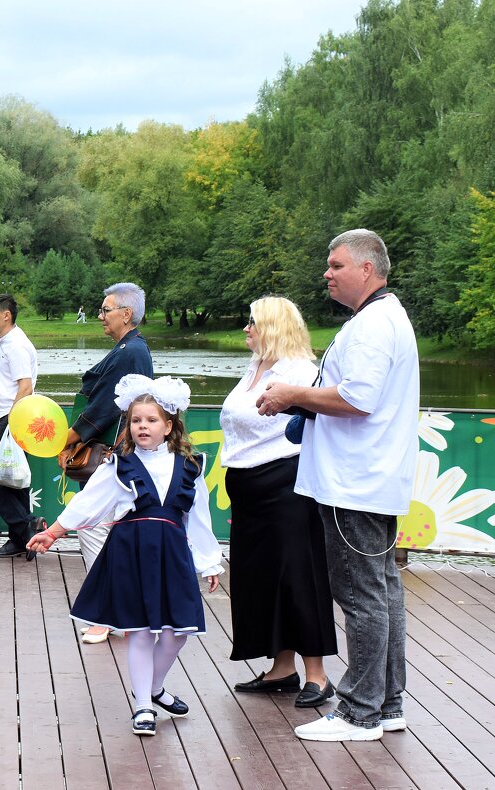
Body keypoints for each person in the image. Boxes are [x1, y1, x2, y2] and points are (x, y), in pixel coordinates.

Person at [256, 229, 418, 742]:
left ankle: (359, 712)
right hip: (367, 477)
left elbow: (358, 399)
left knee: (362, 595)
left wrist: (292, 393)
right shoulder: (382, 318)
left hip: (354, 482)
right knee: (382, 592)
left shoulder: (373, 325)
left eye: (336, 265)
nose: (327, 273)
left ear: (367, 269)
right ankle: (386, 704)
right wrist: (304, 398)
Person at [29, 375, 222, 736]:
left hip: (173, 553)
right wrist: (54, 531)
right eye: (136, 421)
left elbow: (198, 517)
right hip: (132, 551)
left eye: (151, 420)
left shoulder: (191, 466)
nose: (142, 427)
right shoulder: (118, 466)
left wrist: (209, 560)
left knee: (177, 633)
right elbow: (89, 503)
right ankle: (143, 706)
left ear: (169, 425)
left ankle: (154, 688)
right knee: (139, 631)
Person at [220, 297, 337, 707]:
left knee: (297, 576)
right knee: (261, 577)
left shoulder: (302, 373)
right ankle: (281, 667)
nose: (246, 329)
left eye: (252, 322)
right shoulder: (254, 368)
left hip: (286, 485)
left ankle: (317, 675)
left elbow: (321, 423)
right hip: (248, 486)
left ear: (273, 326)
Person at [61, 282, 153, 643]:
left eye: (105, 310)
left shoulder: (131, 352)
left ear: (126, 314)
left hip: (112, 456)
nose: (101, 316)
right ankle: (117, 610)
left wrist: (71, 437)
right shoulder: (130, 349)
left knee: (96, 527)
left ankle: (107, 614)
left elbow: (107, 406)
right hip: (115, 454)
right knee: (104, 529)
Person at [0, 294, 39, 559]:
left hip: (11, 419)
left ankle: (27, 527)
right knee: (15, 484)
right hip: (6, 418)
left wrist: (10, 427)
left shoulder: (15, 345)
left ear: (6, 315)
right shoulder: (5, 341)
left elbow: (25, 387)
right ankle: (21, 540)